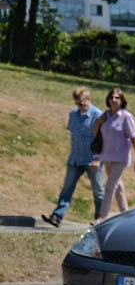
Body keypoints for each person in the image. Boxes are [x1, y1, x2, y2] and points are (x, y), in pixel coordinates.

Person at [42, 87, 104, 227]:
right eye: (77, 103)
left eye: (82, 103)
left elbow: (104, 139)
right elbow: (73, 133)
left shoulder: (98, 115)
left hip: (92, 160)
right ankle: (57, 216)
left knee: (98, 191)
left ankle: (100, 220)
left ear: (89, 100)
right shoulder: (73, 115)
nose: (80, 106)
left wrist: (98, 159)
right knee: (67, 188)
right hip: (75, 159)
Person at [95, 87, 135, 221]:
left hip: (120, 158)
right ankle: (126, 216)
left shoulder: (126, 117)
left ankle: (101, 217)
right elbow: (97, 132)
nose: (114, 100)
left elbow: (134, 138)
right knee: (118, 188)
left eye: (117, 98)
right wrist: (98, 123)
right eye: (111, 97)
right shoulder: (106, 115)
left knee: (110, 186)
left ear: (122, 101)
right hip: (107, 156)